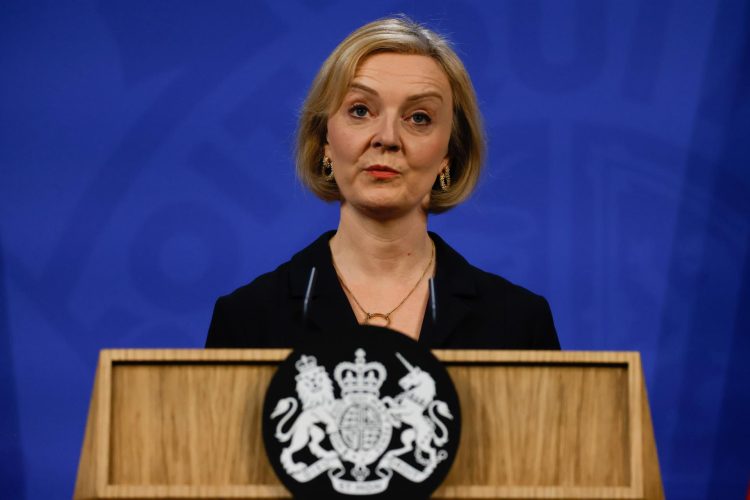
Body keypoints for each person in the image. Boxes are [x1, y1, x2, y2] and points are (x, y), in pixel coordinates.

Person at [206, 16, 560, 350]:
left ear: (448, 155)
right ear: (325, 141)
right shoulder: (246, 319)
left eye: (419, 117)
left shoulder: (518, 323)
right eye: (360, 110)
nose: (387, 138)